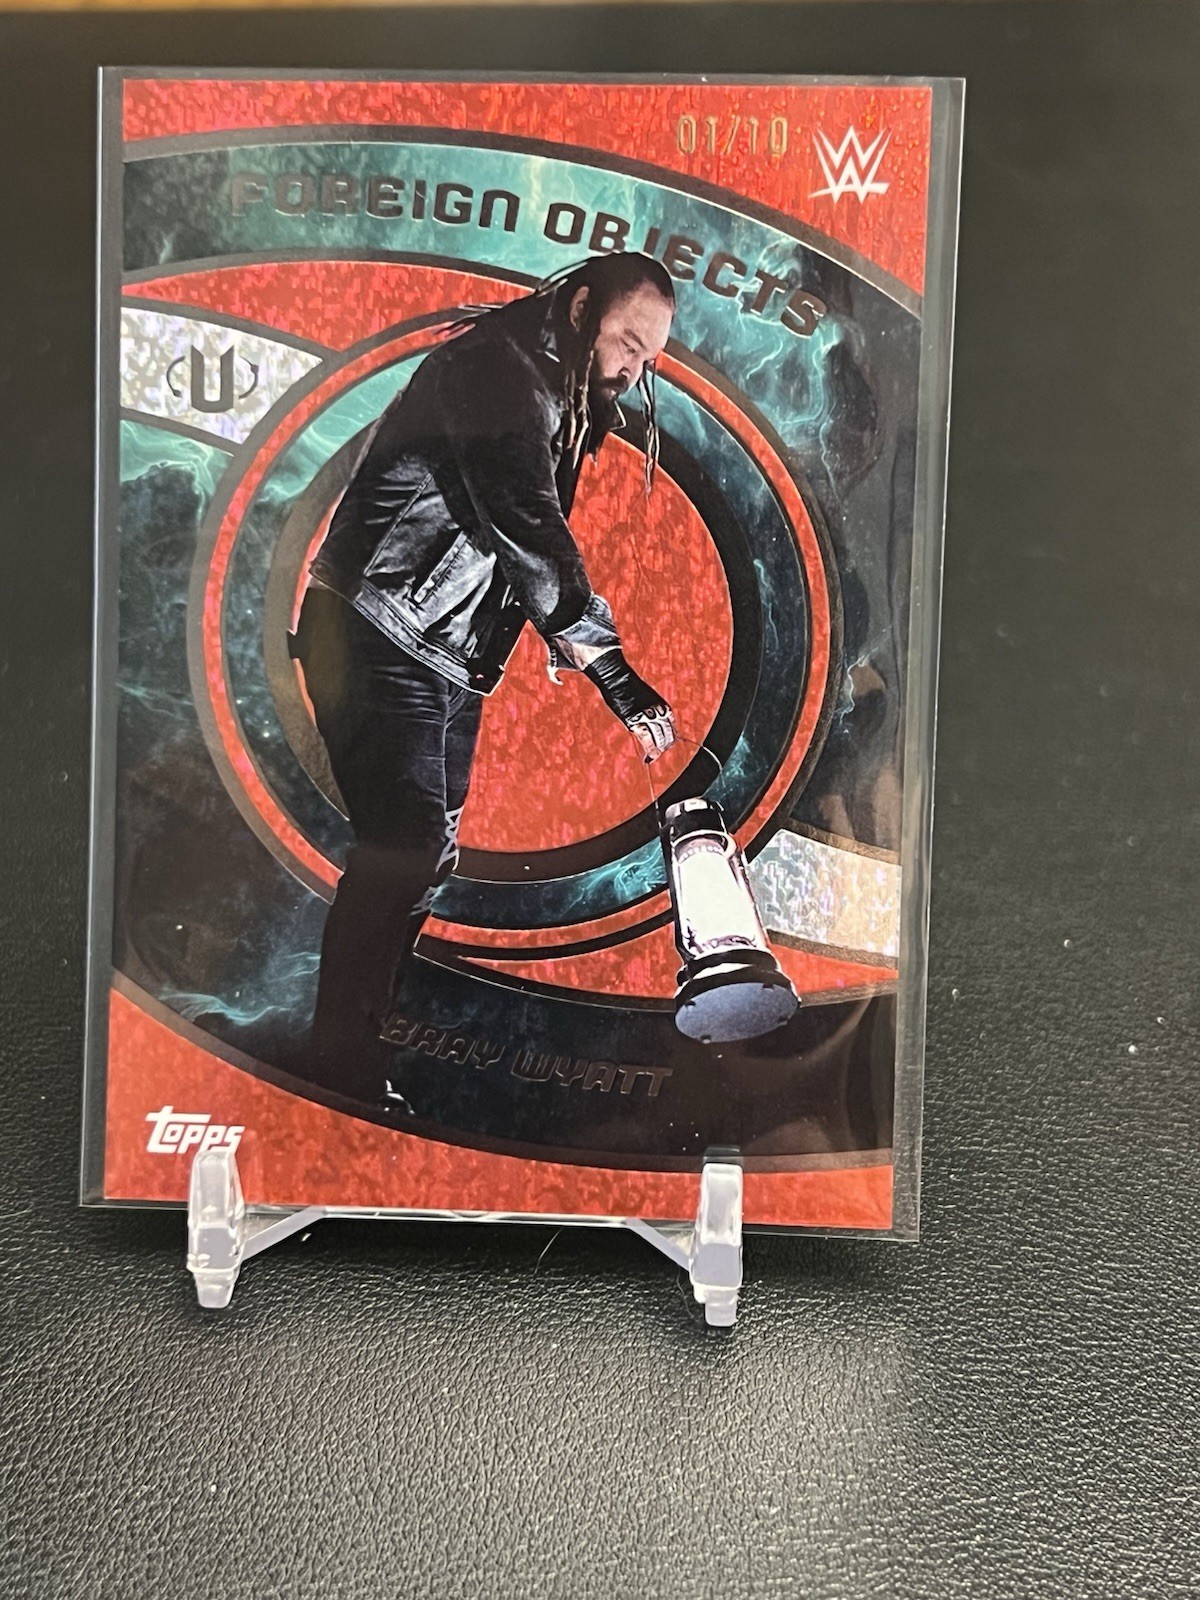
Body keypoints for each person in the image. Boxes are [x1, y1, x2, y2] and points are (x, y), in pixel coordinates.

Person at [291, 251, 679, 1084]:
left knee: (427, 857)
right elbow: (524, 520)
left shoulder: (556, 391)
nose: (633, 369)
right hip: (374, 630)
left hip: (443, 656)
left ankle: (355, 1052)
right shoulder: (495, 370)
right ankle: (338, 1064)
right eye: (628, 342)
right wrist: (613, 672)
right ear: (581, 307)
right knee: (405, 847)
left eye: (649, 358)